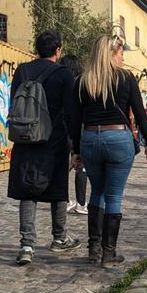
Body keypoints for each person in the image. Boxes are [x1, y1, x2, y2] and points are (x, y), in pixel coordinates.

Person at [70, 35, 147, 268]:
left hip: (90, 139)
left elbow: (74, 118)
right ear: (111, 54)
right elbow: (139, 112)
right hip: (118, 138)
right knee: (114, 196)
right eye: (120, 54)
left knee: (97, 192)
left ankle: (93, 248)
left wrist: (75, 150)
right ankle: (109, 254)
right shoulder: (126, 78)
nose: (123, 58)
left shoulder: (82, 81)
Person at [8, 30, 81, 266]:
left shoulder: (22, 71)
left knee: (27, 191)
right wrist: (75, 146)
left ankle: (27, 245)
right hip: (54, 140)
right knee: (58, 189)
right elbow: (71, 112)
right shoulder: (63, 74)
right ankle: (59, 238)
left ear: (37, 49)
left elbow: (14, 103)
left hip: (25, 139)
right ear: (58, 50)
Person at [60, 54, 89, 216]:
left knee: (64, 167)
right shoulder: (80, 84)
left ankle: (64, 199)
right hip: (78, 129)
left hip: (62, 129)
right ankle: (81, 202)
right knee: (80, 166)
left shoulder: (61, 83)